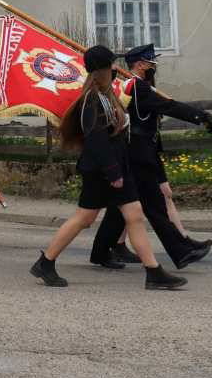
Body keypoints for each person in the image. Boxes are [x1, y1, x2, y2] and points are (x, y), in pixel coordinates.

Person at [30, 45, 187, 290]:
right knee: (84, 218)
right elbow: (96, 140)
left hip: (115, 169)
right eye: (112, 64)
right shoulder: (92, 100)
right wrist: (113, 173)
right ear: (103, 68)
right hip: (102, 171)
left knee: (134, 215)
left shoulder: (105, 95)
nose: (117, 68)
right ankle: (46, 262)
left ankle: (154, 272)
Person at [89, 43, 212, 270]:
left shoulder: (134, 86)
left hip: (140, 152)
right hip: (138, 155)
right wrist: (201, 116)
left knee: (121, 208)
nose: (153, 67)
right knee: (154, 206)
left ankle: (100, 252)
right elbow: (169, 106)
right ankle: (181, 251)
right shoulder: (137, 88)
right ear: (140, 65)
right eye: (151, 64)